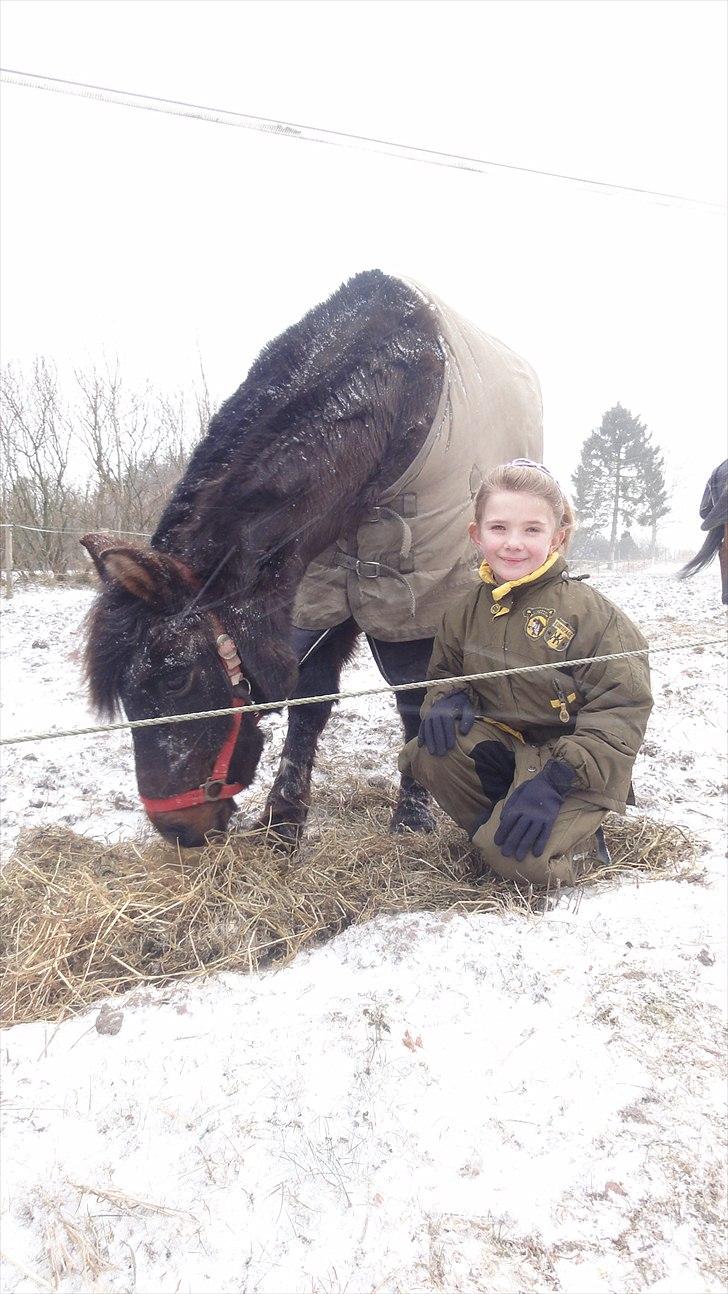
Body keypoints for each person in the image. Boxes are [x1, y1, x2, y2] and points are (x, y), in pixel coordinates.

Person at [398, 460, 653, 887]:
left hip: (570, 768)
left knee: (520, 867)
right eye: (499, 528)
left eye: (532, 530)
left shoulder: (595, 616)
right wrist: (448, 697)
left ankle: (577, 845)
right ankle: (499, 834)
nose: (513, 543)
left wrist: (556, 779)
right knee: (429, 748)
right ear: (476, 535)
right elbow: (444, 674)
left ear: (557, 537)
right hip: (506, 751)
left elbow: (622, 713)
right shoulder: (463, 611)